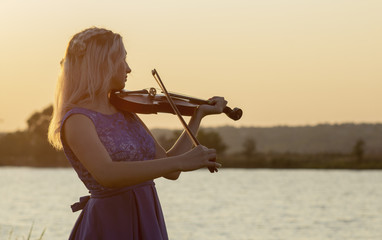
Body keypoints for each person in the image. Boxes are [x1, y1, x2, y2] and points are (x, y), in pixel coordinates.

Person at [48, 27, 226, 240]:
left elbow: (169, 168)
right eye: (122, 60)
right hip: (111, 222)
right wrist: (181, 161)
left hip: (147, 216)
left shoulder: (126, 111)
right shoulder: (77, 120)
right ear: (102, 64)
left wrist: (197, 116)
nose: (129, 68)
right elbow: (107, 174)